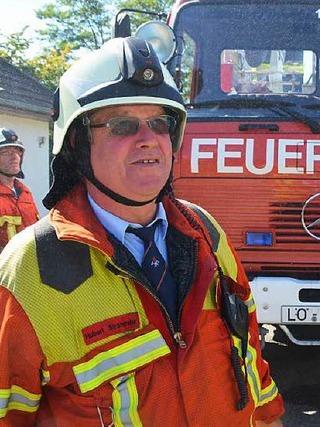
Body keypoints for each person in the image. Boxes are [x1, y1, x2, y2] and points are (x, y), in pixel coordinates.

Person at [0, 37, 284, 425]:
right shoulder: (31, 269)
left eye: (159, 122)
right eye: (122, 124)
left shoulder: (206, 232)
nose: (148, 138)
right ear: (78, 143)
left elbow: (252, 362)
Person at [0, 128, 39, 251]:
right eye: (6, 152)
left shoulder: (25, 193)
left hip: (29, 267)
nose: (14, 157)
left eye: (17, 151)